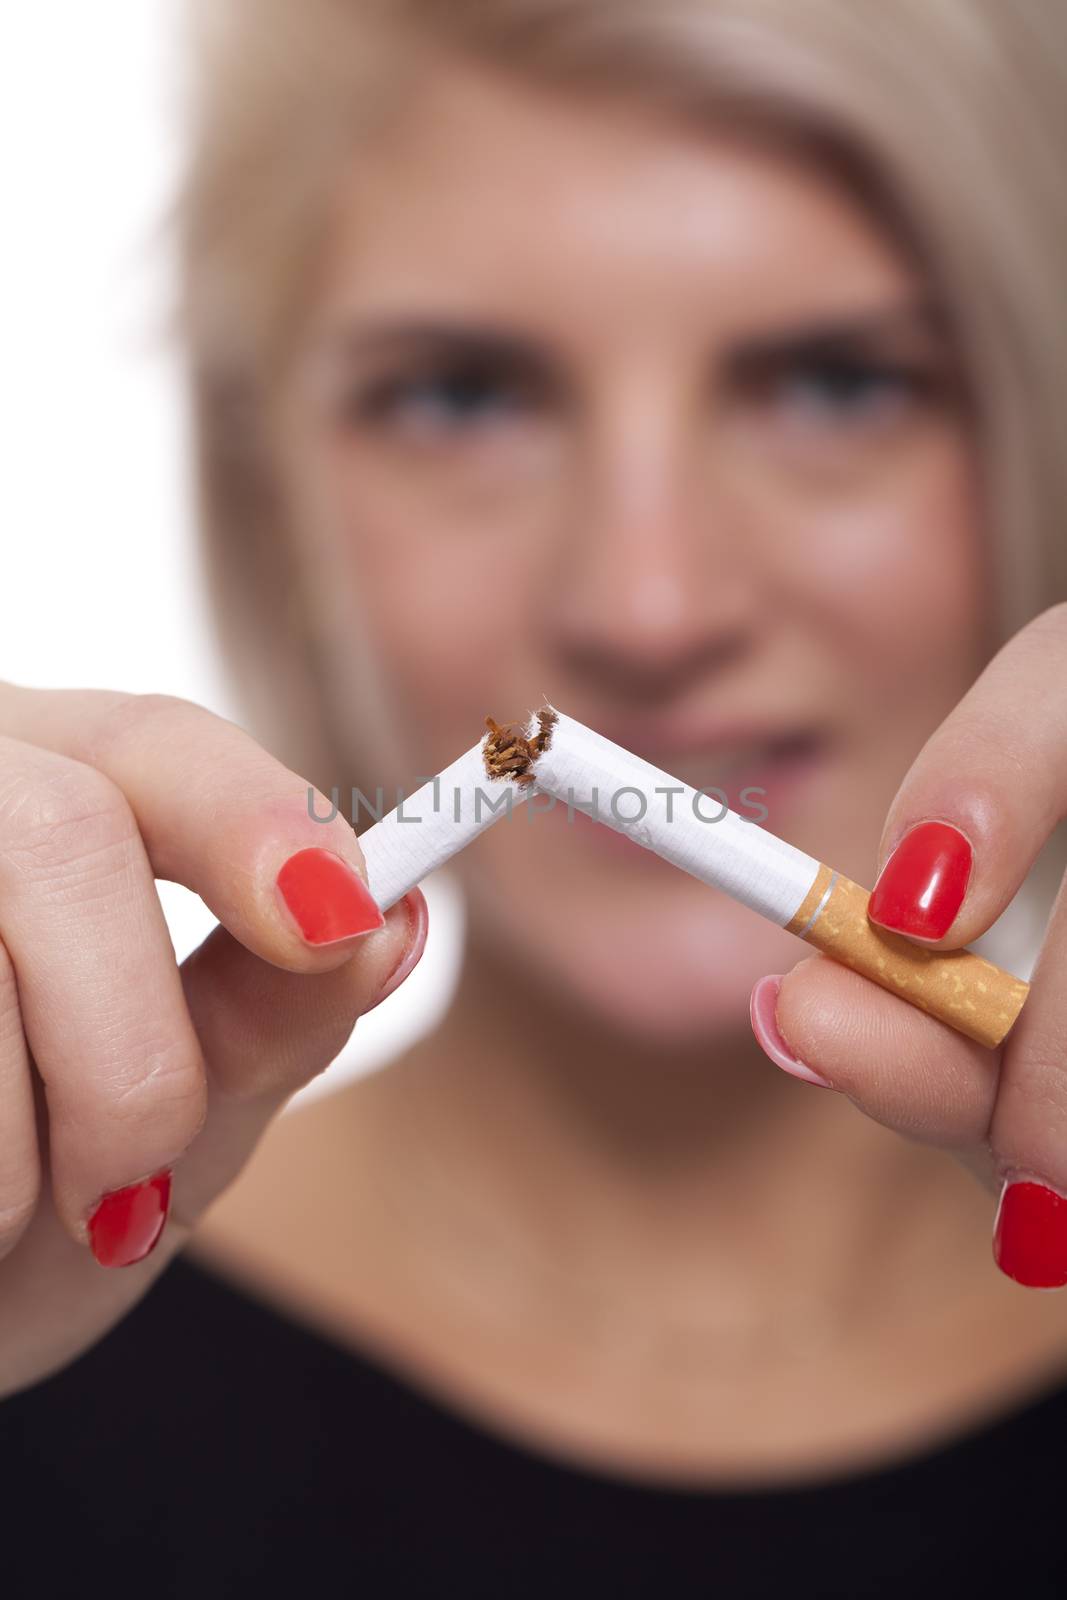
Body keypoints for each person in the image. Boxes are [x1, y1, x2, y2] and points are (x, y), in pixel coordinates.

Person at [3, 0, 1067, 1592]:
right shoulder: (43, 1327)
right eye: (464, 397)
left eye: (837, 384)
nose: (646, 602)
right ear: (274, 502)